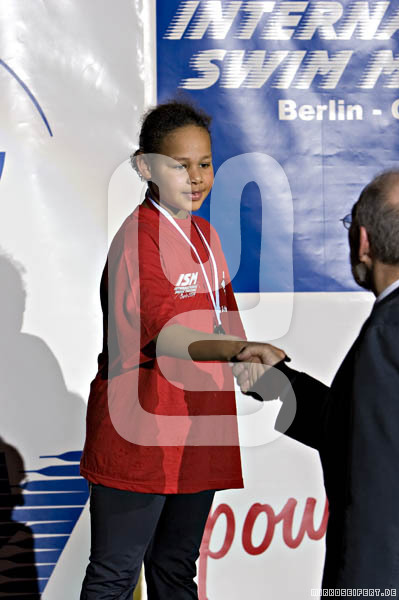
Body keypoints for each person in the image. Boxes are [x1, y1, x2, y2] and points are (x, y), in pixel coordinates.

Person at [79, 100, 249, 599]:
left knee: (175, 569)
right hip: (142, 434)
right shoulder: (137, 239)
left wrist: (250, 364)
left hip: (199, 429)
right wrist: (240, 352)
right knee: (114, 575)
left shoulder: (207, 236)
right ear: (145, 167)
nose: (195, 178)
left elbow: (227, 320)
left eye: (204, 164)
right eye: (179, 165)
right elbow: (166, 332)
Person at [233, 170, 399, 594]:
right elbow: (357, 432)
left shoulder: (387, 333)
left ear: (362, 241)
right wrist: (280, 383)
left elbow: (375, 485)